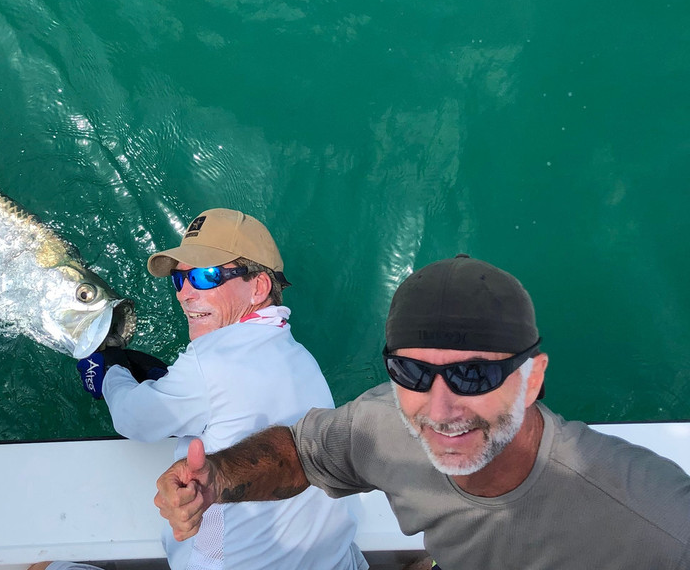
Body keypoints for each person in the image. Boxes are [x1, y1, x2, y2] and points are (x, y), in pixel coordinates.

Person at [155, 254, 690, 569]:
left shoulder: (654, 520)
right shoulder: (387, 425)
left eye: (473, 375)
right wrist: (218, 479)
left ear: (534, 379)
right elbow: (299, 450)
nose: (440, 409)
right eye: (411, 372)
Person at [77, 208, 366, 570]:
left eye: (205, 276)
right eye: (179, 279)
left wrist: (111, 369)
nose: (186, 294)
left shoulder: (211, 360)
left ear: (259, 287)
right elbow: (229, 404)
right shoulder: (298, 355)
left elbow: (133, 419)